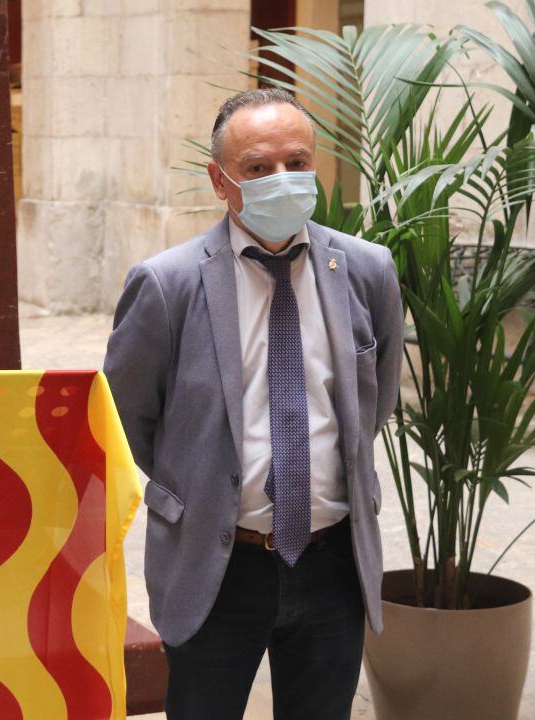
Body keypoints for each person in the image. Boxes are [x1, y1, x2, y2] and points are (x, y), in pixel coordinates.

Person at [103, 88, 404, 720]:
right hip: (218, 564)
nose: (283, 180)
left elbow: (371, 402)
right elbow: (126, 419)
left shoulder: (367, 269)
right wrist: (192, 489)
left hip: (333, 562)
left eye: (297, 162)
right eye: (258, 168)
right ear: (220, 180)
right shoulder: (167, 284)